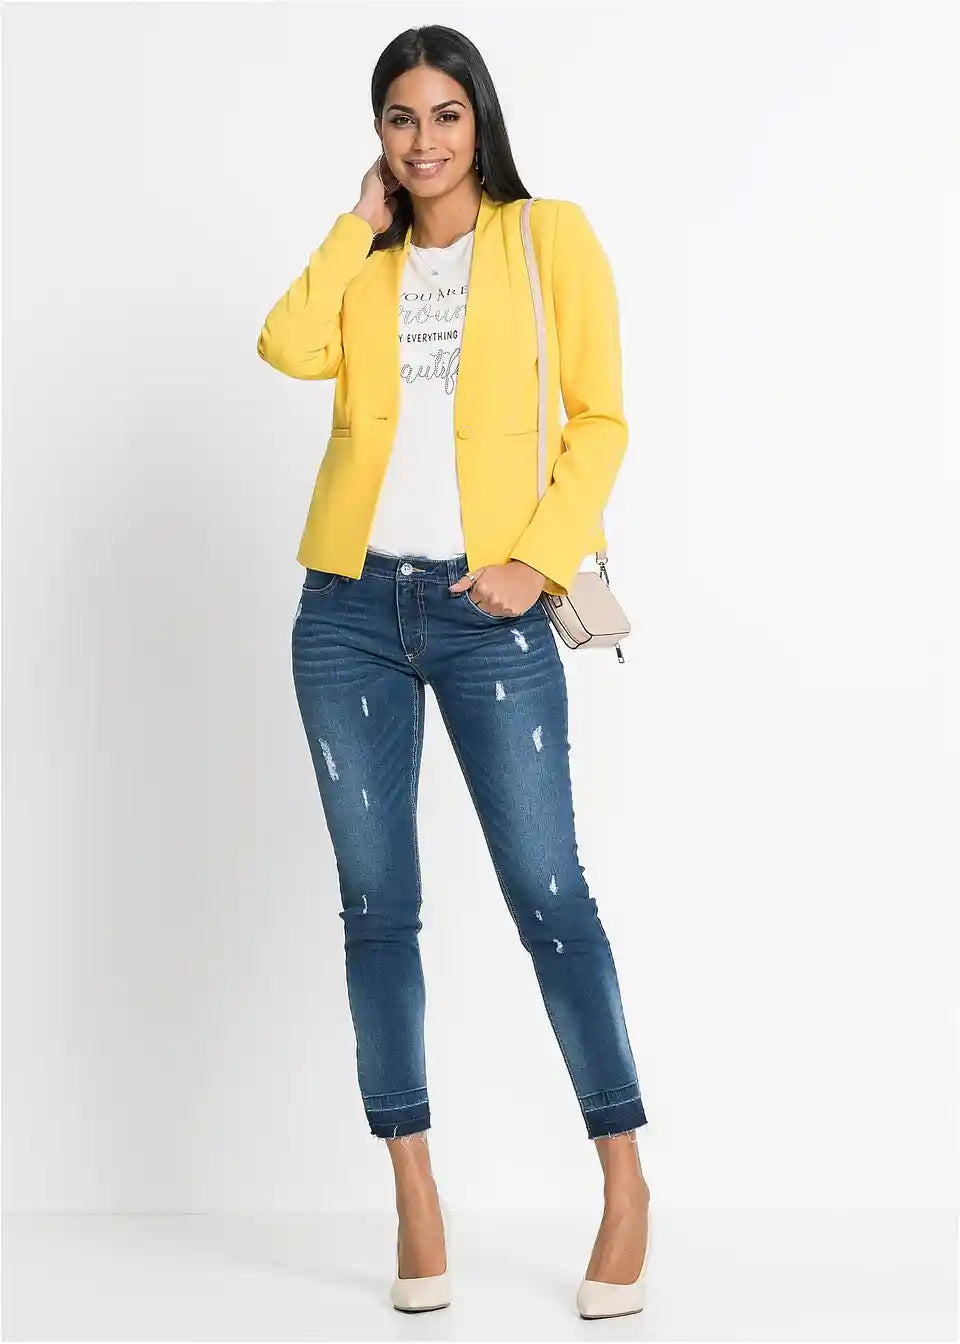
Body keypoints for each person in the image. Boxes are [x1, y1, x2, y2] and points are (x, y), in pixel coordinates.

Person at [257, 23, 652, 1319]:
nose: (422, 140)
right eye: (399, 118)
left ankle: (625, 1180)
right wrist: (352, 226)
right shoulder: (366, 265)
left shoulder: (549, 239)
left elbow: (600, 420)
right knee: (377, 908)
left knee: (550, 895)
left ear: (480, 120)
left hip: (491, 613)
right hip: (348, 610)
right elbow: (285, 346)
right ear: (378, 135)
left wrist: (536, 560)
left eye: (443, 114)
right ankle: (413, 1190)